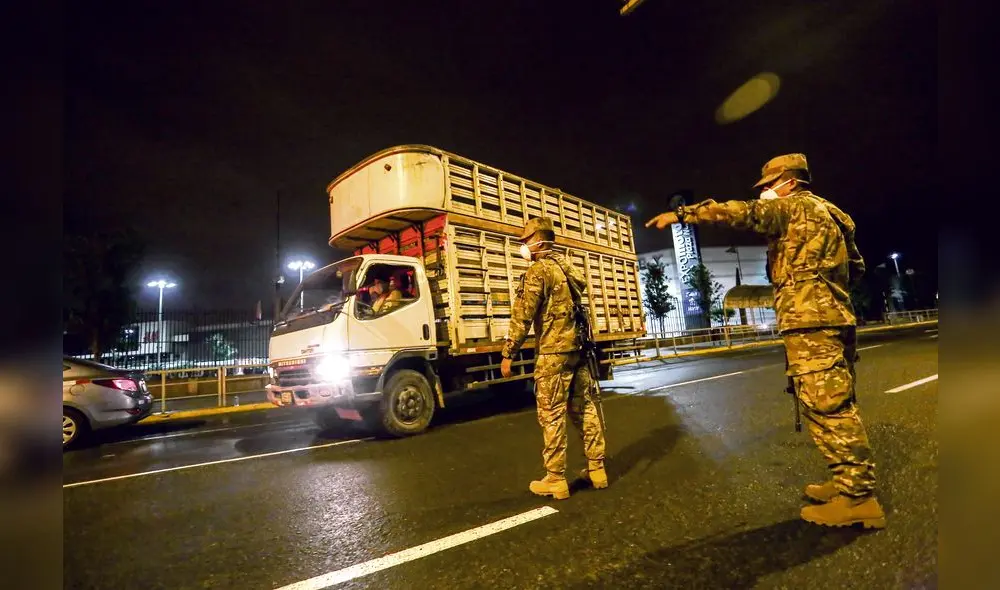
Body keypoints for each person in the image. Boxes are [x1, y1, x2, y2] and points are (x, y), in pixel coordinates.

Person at [645, 153, 885, 529]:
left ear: (789, 181)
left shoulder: (791, 209)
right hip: (835, 317)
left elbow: (741, 213)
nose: (767, 192)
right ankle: (846, 483)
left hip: (810, 324)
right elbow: (856, 268)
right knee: (834, 403)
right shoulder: (835, 214)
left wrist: (683, 214)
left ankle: (858, 498)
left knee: (829, 409)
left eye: (771, 185)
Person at [500, 217, 608, 500]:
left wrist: (509, 353)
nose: (523, 246)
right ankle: (597, 469)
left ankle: (556, 479)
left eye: (526, 241)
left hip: (552, 354)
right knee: (585, 408)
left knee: (552, 415)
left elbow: (522, 316)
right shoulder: (568, 267)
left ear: (538, 240)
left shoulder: (538, 271)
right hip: (578, 351)